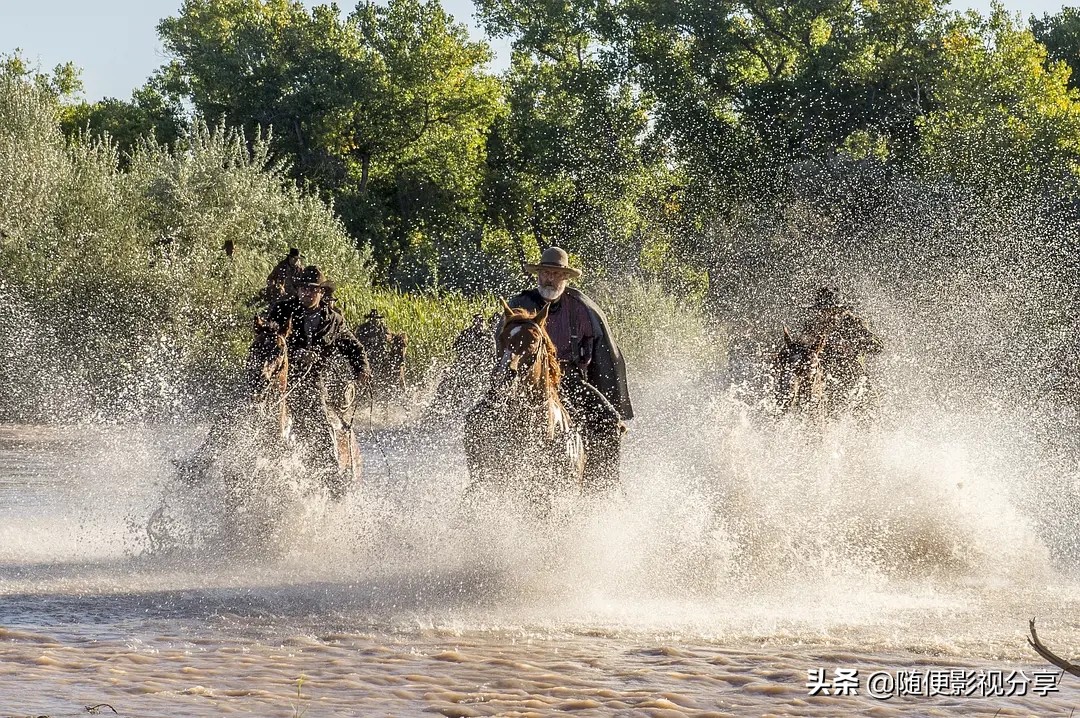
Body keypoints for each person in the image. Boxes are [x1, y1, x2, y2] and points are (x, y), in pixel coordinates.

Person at [505, 246, 632, 491]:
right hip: (524, 378)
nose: (549, 278)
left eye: (555, 273)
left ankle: (605, 486)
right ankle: (483, 485)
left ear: (565, 277)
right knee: (482, 418)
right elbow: (503, 343)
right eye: (545, 273)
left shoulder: (583, 309)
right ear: (538, 275)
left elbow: (602, 354)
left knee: (608, 422)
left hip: (569, 378)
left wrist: (607, 392)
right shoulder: (520, 304)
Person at [259, 265, 371, 498]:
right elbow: (269, 338)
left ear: (321, 292)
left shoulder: (334, 320)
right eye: (303, 289)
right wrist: (292, 352)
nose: (307, 293)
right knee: (235, 408)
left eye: (312, 290)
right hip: (277, 374)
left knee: (318, 421)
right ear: (297, 290)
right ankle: (202, 460)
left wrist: (362, 369)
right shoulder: (283, 310)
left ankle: (332, 477)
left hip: (310, 379)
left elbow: (353, 347)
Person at [796, 286, 883, 413]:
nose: (824, 314)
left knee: (868, 415)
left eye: (829, 310)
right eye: (821, 310)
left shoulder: (853, 324)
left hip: (856, 382)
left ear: (839, 310)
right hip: (825, 384)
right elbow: (800, 347)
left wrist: (853, 344)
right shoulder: (813, 326)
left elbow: (878, 346)